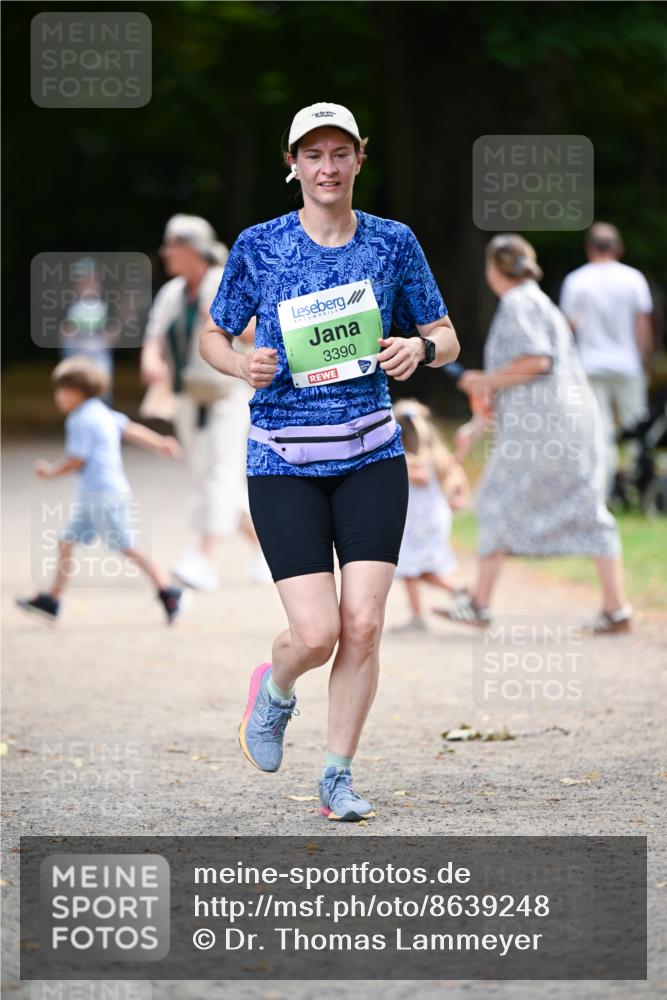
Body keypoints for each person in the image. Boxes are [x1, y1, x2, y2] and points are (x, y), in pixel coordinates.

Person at [200, 102, 460, 821]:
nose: (326, 167)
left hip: (371, 451)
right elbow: (212, 336)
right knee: (316, 634)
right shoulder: (259, 244)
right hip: (282, 458)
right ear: (292, 164)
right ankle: (276, 688)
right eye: (311, 154)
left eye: (338, 152)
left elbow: (445, 331)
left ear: (359, 158)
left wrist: (422, 348)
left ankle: (337, 774)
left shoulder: (392, 242)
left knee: (365, 625)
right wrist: (237, 364)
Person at [437, 234, 631, 635]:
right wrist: (485, 404)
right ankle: (616, 609)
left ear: (494, 269)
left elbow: (537, 360)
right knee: (585, 504)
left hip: (543, 427)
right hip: (566, 421)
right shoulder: (540, 299)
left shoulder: (517, 302)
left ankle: (480, 604)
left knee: (494, 499)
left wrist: (482, 378)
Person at [140, 214, 269, 590]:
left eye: (170, 246)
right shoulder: (172, 292)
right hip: (186, 396)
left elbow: (252, 330)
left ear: (191, 249)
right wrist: (151, 360)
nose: (164, 253)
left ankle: (203, 557)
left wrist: (218, 320)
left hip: (227, 394)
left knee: (218, 475)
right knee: (211, 478)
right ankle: (268, 550)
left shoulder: (220, 283)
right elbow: (154, 336)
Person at [16, 358, 185, 625]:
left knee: (127, 546)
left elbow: (77, 459)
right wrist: (161, 443)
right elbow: (131, 429)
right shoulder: (101, 411)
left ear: (78, 391)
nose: (58, 396)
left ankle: (168, 591)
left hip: (104, 496)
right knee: (66, 541)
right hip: (95, 497)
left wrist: (50, 472)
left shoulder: (80, 419)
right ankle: (52, 600)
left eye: (63, 390)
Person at [559, 222, 654, 497]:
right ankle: (642, 486)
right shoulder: (633, 278)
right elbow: (642, 325)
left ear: (590, 248)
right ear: (618, 248)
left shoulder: (577, 280)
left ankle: (603, 491)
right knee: (638, 428)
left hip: (590, 364)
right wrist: (644, 358)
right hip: (627, 364)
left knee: (599, 432)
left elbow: (568, 326)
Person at [392, 399, 469, 632]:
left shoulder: (408, 459)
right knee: (417, 569)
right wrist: (460, 496)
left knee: (408, 568)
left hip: (418, 520)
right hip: (431, 517)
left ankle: (419, 616)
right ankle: (458, 591)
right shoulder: (437, 453)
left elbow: (422, 478)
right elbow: (457, 474)